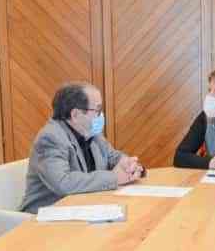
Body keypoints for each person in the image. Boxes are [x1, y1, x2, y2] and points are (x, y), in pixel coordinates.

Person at [20, 82, 143, 214]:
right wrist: (114, 178)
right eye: (97, 110)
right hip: (45, 216)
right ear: (76, 114)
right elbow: (63, 182)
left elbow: (113, 156)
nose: (101, 116)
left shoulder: (91, 133)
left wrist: (128, 165)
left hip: (82, 208)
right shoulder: (50, 138)